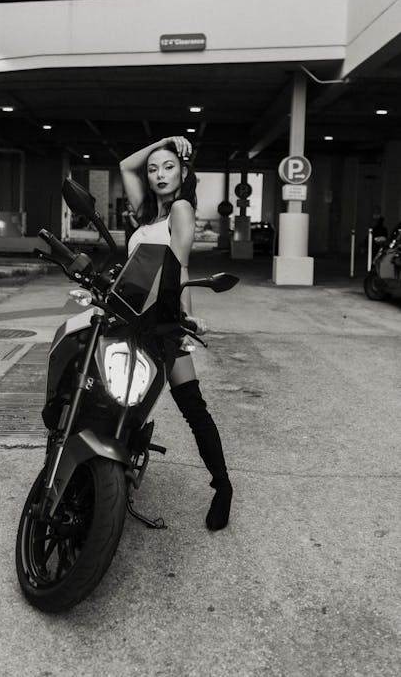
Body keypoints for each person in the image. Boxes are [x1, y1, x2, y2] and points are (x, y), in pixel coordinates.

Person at [119, 135, 233, 531]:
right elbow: (124, 165)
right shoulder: (146, 214)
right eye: (153, 170)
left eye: (168, 166)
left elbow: (179, 268)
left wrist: (185, 318)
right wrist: (164, 141)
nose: (159, 174)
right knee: (118, 399)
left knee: (193, 408)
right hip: (128, 317)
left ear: (184, 172)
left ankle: (223, 488)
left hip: (161, 321)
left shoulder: (181, 209)